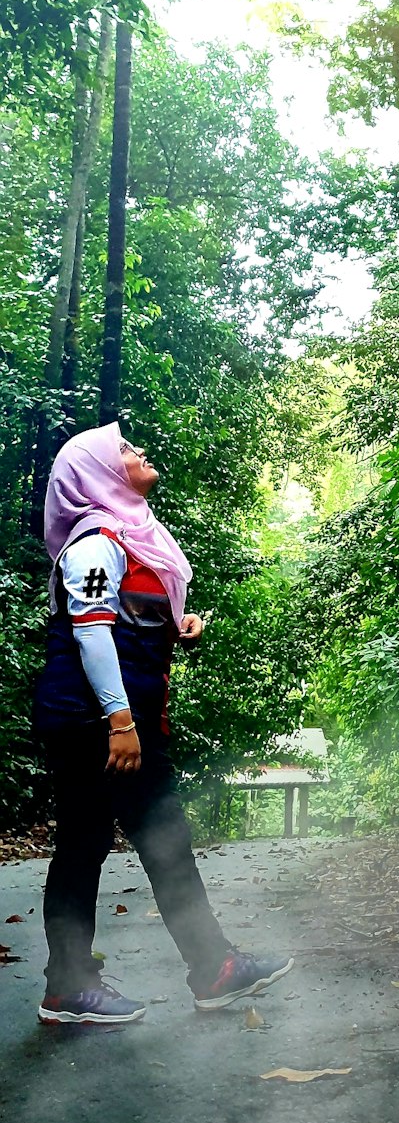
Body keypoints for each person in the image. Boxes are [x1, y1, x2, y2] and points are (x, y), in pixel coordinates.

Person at [34, 421, 293, 1026]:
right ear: (96, 475)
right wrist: (120, 721)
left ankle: (76, 985)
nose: (138, 451)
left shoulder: (127, 538)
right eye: (123, 450)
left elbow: (122, 617)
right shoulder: (96, 538)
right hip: (98, 724)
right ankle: (209, 970)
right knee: (150, 843)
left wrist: (175, 624)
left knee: (88, 846)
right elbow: (92, 631)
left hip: (104, 720)